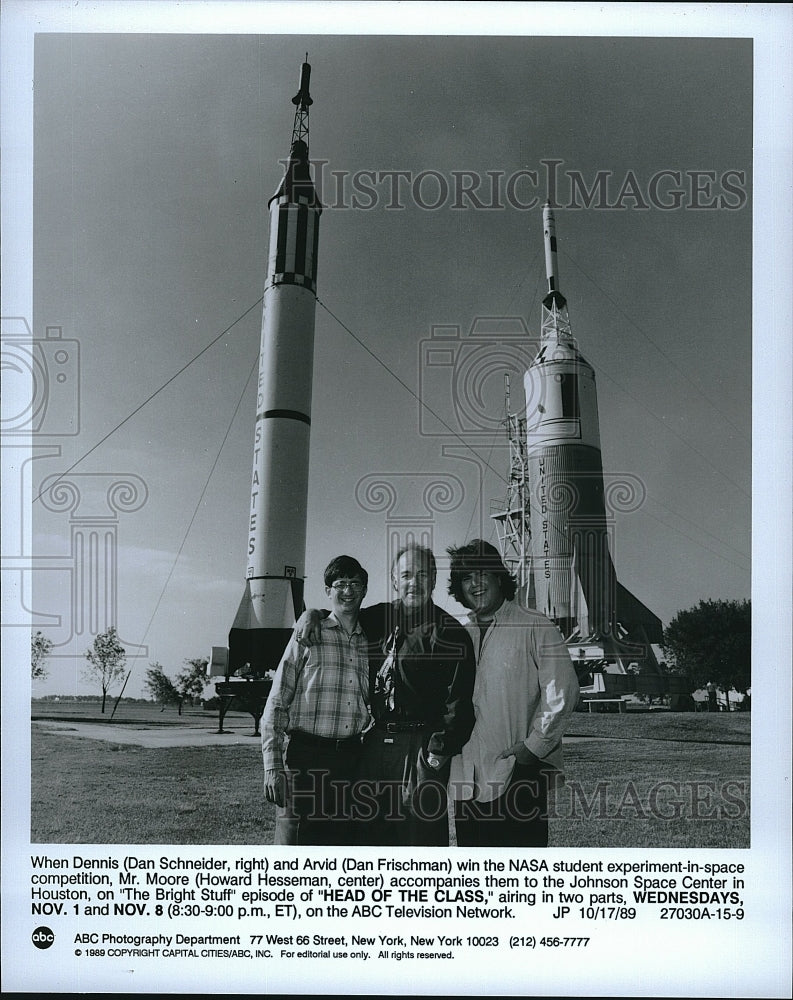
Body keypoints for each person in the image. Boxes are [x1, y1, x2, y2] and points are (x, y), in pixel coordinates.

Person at [298, 543, 476, 846]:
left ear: (433, 579)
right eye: (406, 575)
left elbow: (458, 704)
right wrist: (311, 614)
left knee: (419, 837)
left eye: (422, 574)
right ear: (394, 580)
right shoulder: (379, 617)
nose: (414, 582)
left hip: (420, 747)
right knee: (369, 833)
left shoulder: (449, 632)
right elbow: (341, 612)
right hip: (376, 742)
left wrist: (436, 755)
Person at [446, 539, 579, 848]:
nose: (475, 583)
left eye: (483, 573)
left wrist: (533, 748)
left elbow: (563, 692)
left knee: (520, 879)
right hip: (467, 780)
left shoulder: (535, 626)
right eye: (466, 577)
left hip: (517, 774)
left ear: (499, 577)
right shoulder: (457, 634)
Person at [261, 555, 372, 845]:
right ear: (327, 590)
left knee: (339, 851)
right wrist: (273, 767)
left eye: (355, 584)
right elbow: (276, 703)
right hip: (304, 760)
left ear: (364, 590)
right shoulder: (308, 633)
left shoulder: (369, 642)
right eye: (340, 584)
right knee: (295, 848)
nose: (347, 591)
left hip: (350, 761)